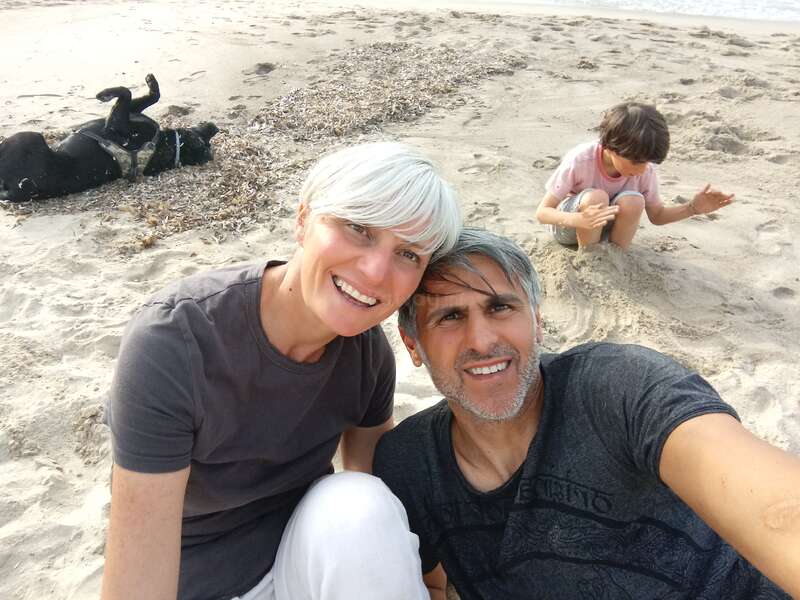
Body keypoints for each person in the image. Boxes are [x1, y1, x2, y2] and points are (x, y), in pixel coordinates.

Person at [101, 142, 461, 600]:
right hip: (202, 583)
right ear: (303, 219)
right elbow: (136, 580)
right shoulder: (177, 342)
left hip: (304, 564)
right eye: (358, 228)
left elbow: (376, 496)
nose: (375, 272)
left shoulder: (367, 355)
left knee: (359, 503)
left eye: (408, 254)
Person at [373, 228, 800, 599]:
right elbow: (428, 583)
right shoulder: (410, 464)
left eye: (501, 307)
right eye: (450, 316)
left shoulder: (620, 389)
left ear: (537, 322)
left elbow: (776, 510)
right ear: (412, 345)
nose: (482, 340)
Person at [535, 102, 735, 249]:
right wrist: (579, 219)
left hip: (606, 229)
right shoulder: (580, 160)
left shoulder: (644, 169)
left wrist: (692, 208)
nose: (642, 170)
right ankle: (590, 258)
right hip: (571, 227)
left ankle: (617, 256)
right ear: (610, 148)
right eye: (637, 162)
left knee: (633, 201)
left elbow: (656, 216)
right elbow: (543, 213)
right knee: (597, 197)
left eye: (647, 162)